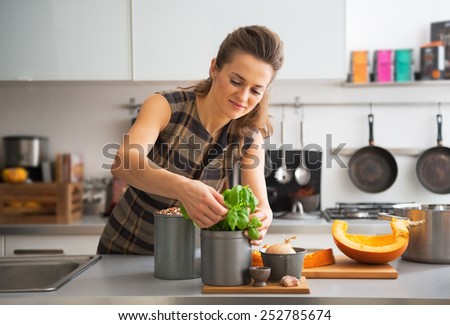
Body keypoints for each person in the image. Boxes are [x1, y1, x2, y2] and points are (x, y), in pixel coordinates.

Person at [97, 25, 284, 254]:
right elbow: (123, 163)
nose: (243, 97)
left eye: (256, 90)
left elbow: (260, 202)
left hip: (187, 260)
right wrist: (183, 188)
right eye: (236, 81)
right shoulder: (166, 106)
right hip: (123, 253)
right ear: (214, 68)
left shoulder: (249, 136)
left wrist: (263, 215)